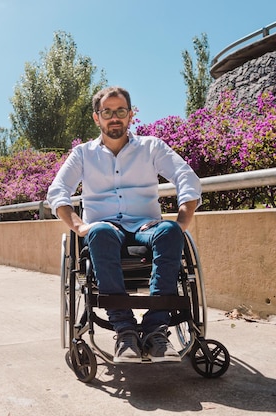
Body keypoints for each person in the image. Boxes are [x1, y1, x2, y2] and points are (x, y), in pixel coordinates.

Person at [47, 86, 202, 363]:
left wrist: (183, 219)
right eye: (107, 112)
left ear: (130, 115)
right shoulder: (83, 154)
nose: (114, 117)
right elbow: (58, 191)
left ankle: (156, 330)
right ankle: (125, 330)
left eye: (120, 111)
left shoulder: (151, 147)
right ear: (97, 118)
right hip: (104, 232)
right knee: (100, 231)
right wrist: (81, 227)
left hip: (147, 227)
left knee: (170, 231)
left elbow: (185, 176)